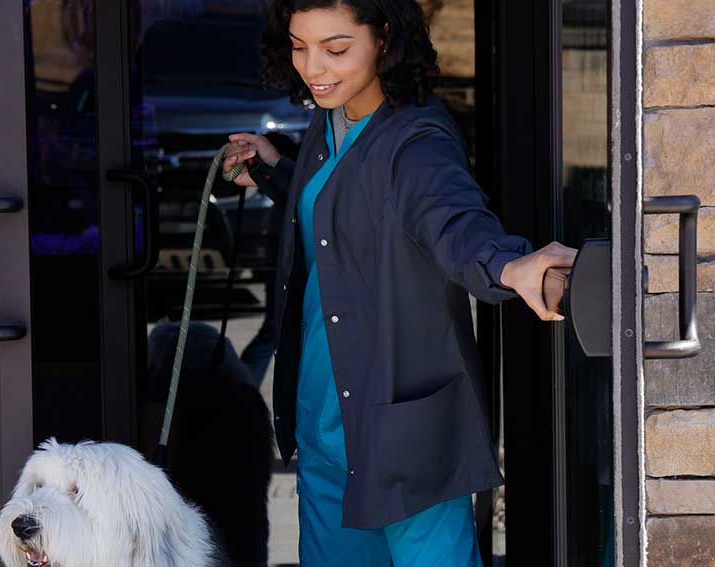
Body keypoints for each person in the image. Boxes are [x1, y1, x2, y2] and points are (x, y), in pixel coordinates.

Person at [223, 1, 577, 565]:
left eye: (336, 49)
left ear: (383, 39)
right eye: (298, 46)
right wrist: (272, 169)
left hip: (402, 431)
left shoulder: (418, 142)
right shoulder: (328, 117)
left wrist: (510, 267)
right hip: (323, 420)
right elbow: (346, 213)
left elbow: (453, 223)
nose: (313, 67)